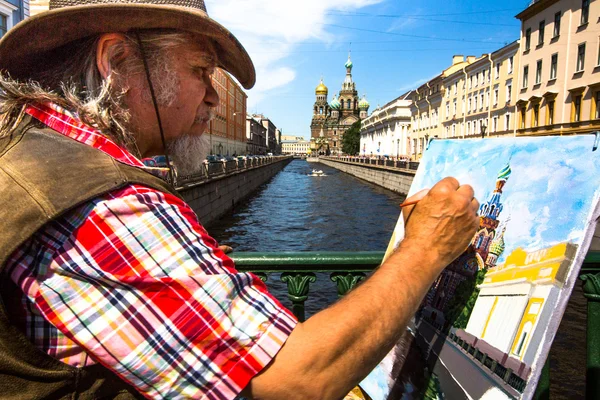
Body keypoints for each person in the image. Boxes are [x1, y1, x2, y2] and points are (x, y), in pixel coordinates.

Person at [0, 0, 480, 399]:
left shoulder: (28, 148)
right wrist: (426, 249)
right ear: (117, 61)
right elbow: (297, 382)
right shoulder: (104, 205)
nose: (213, 98)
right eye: (200, 71)